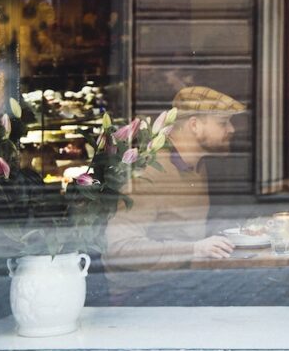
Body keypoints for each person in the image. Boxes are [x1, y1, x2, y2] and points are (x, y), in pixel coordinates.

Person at [103, 86, 245, 300]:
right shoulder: (150, 172)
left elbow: (182, 229)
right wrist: (194, 249)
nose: (232, 130)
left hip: (182, 284)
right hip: (142, 297)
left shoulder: (195, 164)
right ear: (195, 125)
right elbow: (121, 248)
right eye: (223, 123)